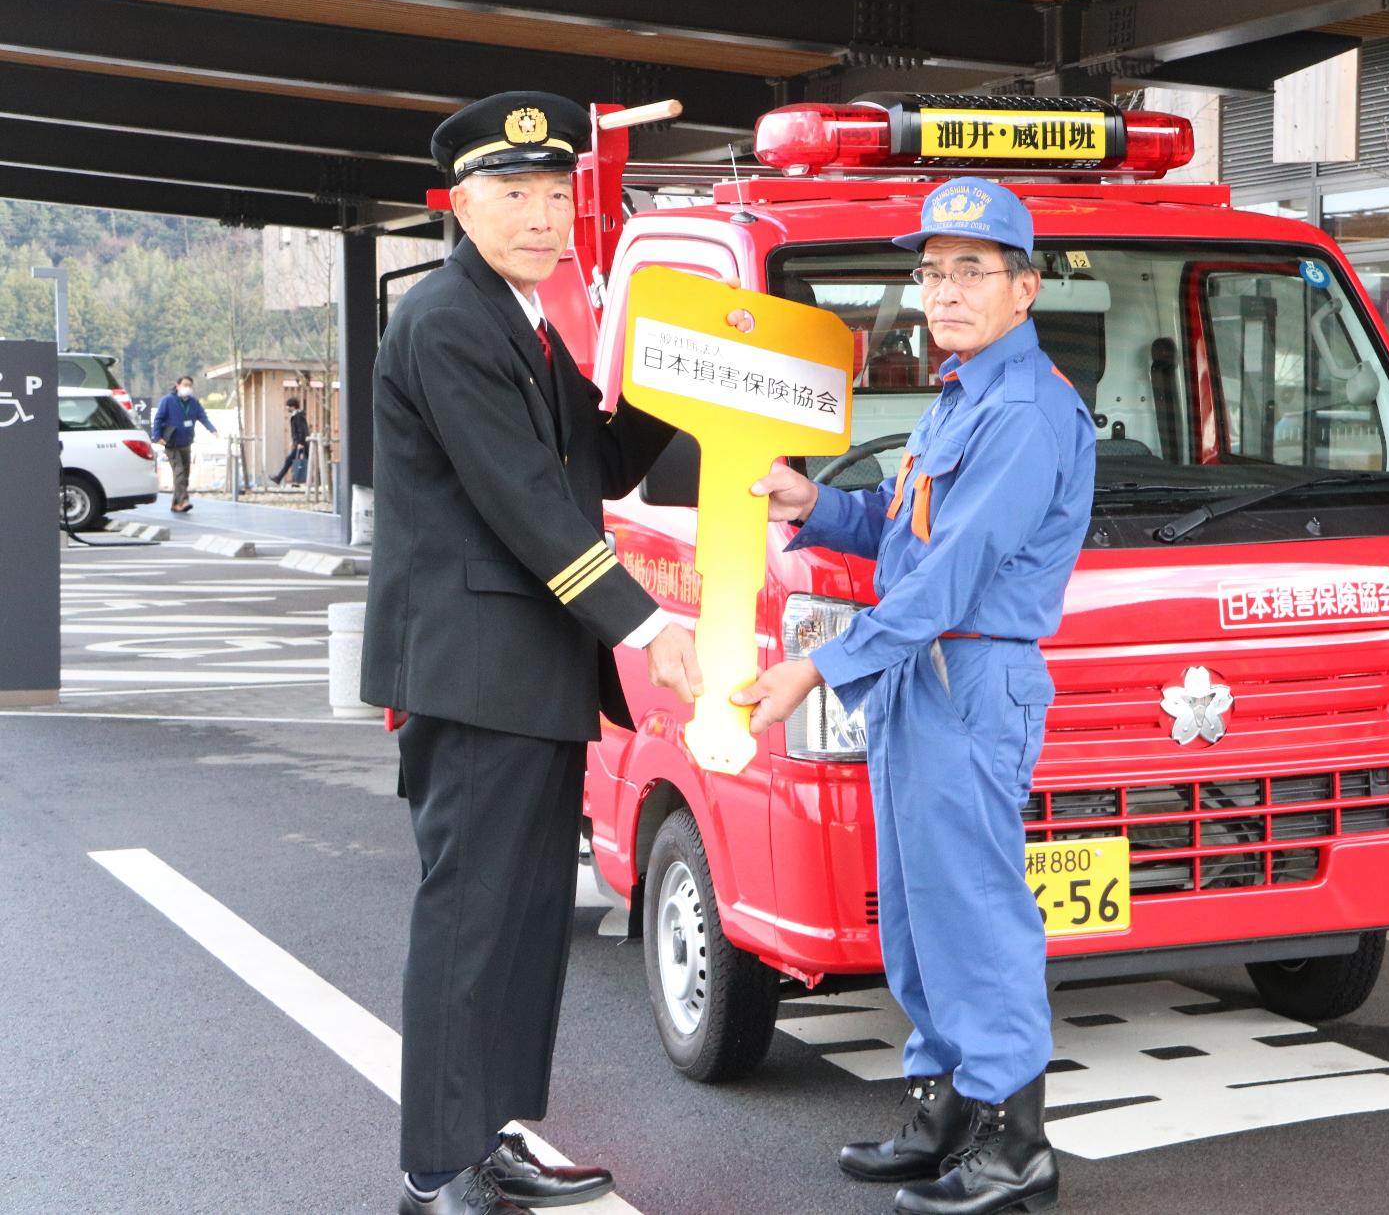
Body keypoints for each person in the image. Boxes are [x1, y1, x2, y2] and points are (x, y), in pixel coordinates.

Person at [360, 92, 714, 1215]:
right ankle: (435, 1166)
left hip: (524, 673)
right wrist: (650, 627)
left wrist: (696, 370)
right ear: (461, 205)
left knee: (519, 924)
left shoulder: (519, 317)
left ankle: (490, 1131)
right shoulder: (447, 321)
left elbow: (595, 461)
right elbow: (527, 505)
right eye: (512, 193)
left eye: (555, 193)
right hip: (475, 675)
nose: (541, 215)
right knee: (470, 919)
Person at [733, 177, 1095, 1215]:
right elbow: (905, 530)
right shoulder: (962, 394)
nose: (944, 290)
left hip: (968, 674)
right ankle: (944, 1114)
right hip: (922, 674)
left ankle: (1013, 1147)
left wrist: (818, 664)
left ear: (1024, 288)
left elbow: (948, 578)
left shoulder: (1024, 411)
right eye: (932, 271)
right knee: (919, 911)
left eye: (971, 270)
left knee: (975, 913)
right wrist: (816, 503)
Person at [149, 375, 215, 513]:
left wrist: (212, 429)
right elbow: (158, 418)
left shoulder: (193, 402)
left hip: (186, 442)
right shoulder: (168, 400)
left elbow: (202, 416)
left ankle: (176, 504)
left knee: (185, 473)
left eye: (190, 385)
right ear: (177, 385)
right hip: (171, 442)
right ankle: (184, 501)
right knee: (179, 471)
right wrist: (156, 436)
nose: (187, 388)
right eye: (185, 385)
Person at [270, 395, 310, 486]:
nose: (287, 408)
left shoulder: (298, 416)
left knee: (293, 460)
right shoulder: (297, 415)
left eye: (288, 406)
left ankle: (280, 478)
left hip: (301, 443)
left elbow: (302, 430)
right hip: (300, 443)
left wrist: (300, 442)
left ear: (293, 406)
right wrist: (294, 441)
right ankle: (294, 480)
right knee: (300, 461)